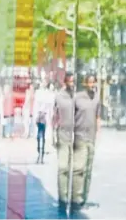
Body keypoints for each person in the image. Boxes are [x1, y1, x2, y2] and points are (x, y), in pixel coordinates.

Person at [72, 75, 101, 213]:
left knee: (88, 170)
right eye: (89, 82)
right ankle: (75, 198)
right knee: (79, 168)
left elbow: (97, 117)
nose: (92, 84)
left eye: (93, 82)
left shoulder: (96, 98)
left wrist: (98, 133)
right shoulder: (77, 97)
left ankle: (83, 198)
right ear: (85, 83)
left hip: (91, 137)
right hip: (80, 136)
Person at [53, 72, 75, 215]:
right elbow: (55, 116)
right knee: (63, 168)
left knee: (76, 169)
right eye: (71, 82)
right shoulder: (59, 96)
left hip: (76, 136)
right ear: (65, 82)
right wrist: (53, 136)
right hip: (62, 135)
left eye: (74, 82)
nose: (72, 84)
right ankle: (62, 199)